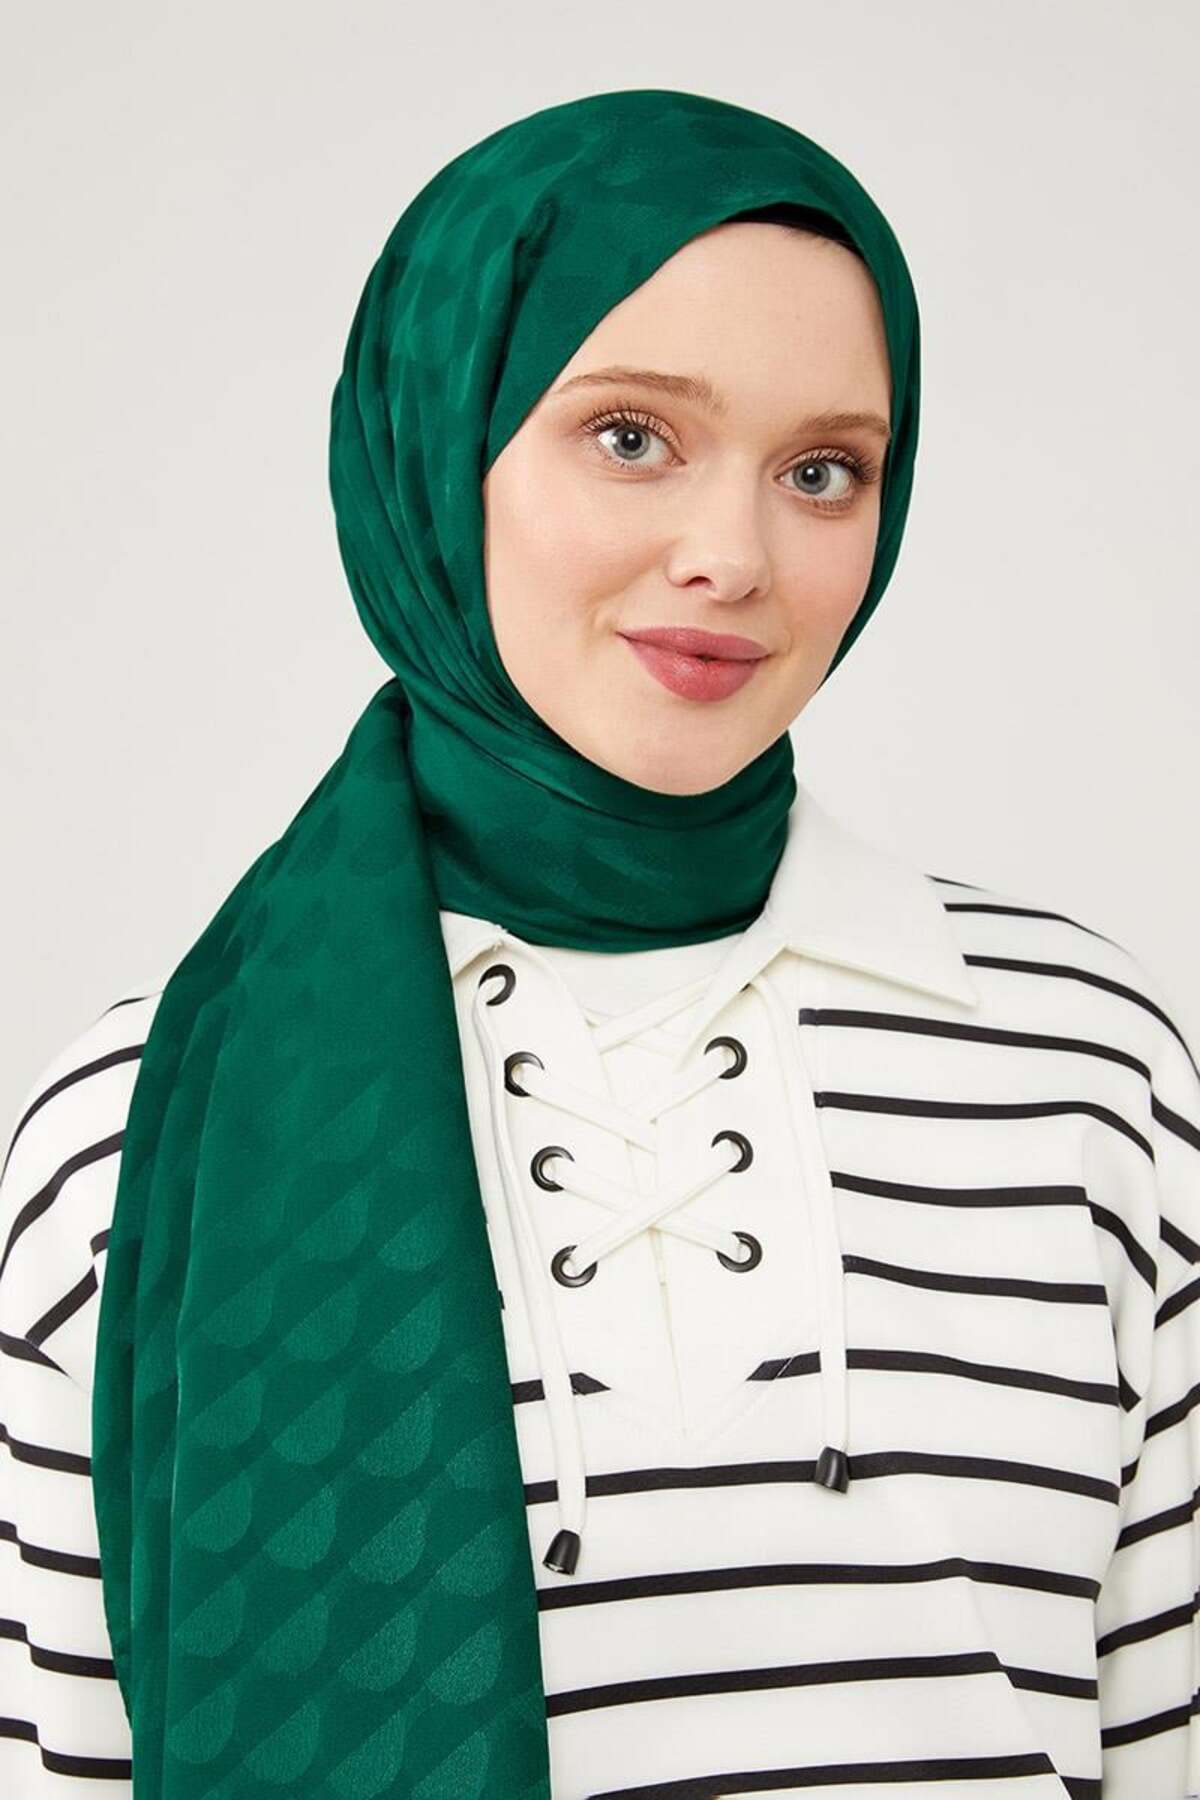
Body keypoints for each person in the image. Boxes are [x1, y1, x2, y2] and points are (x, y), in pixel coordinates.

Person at [1, 86, 1196, 1800]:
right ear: (436, 442)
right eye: (633, 436)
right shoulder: (132, 1134)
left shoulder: (1090, 1067)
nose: (732, 557)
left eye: (823, 473)